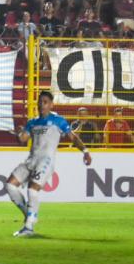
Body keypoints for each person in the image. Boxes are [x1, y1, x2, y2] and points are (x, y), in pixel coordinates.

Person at [7, 92, 92, 237]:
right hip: (31, 160)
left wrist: (85, 151)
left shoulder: (58, 120)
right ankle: (29, 214)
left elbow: (73, 137)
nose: (42, 105)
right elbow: (23, 139)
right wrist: (19, 133)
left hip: (46, 161)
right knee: (10, 185)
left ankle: (29, 227)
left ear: (51, 104)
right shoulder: (33, 122)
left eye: (45, 102)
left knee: (32, 189)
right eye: (40, 102)